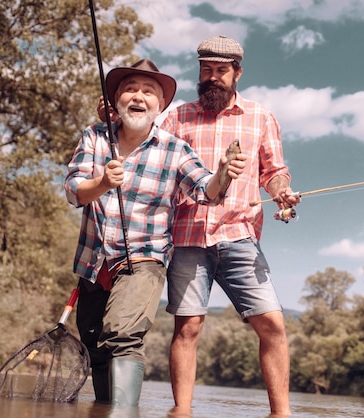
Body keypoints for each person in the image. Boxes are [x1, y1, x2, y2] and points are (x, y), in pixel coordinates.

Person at [66, 58, 246, 407]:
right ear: (115, 100)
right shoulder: (93, 136)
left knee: (122, 334)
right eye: (130, 89)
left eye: (149, 91)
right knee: (94, 342)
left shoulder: (174, 148)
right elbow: (74, 191)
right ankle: (107, 410)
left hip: (144, 259)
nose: (139, 96)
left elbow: (206, 190)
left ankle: (123, 414)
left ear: (161, 106)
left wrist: (223, 173)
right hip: (93, 260)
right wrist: (102, 182)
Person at [161, 35, 298, 416]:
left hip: (240, 236)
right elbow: (151, 158)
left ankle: (280, 413)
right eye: (207, 70)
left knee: (272, 325)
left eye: (222, 71)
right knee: (187, 329)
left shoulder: (261, 117)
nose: (213, 78)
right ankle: (182, 412)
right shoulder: (175, 116)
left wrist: (282, 192)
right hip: (187, 238)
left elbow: (275, 172)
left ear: (238, 73)